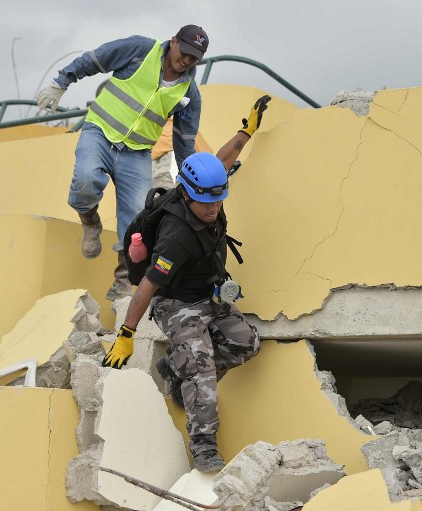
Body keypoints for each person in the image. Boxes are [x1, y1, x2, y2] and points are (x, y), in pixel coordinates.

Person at [101, 95, 272, 473]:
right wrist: (126, 334)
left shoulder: (207, 188)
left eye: (219, 199)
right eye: (206, 202)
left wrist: (246, 132)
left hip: (209, 293)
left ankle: (171, 367)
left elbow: (221, 162)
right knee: (201, 367)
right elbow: (147, 286)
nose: (214, 208)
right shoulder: (176, 236)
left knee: (247, 343)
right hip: (175, 302)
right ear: (187, 193)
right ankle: (204, 444)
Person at [36, 25, 209, 301]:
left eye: (194, 57)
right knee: (85, 181)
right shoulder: (142, 50)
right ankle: (90, 220)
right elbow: (96, 59)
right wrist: (61, 82)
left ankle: (122, 281)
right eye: (184, 51)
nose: (186, 60)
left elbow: (184, 141)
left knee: (139, 221)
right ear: (174, 41)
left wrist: (190, 181)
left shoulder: (189, 93)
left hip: (137, 154)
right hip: (100, 132)